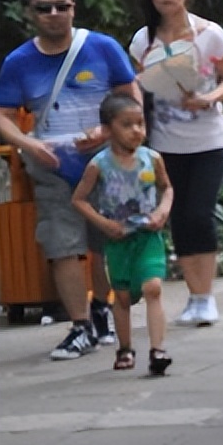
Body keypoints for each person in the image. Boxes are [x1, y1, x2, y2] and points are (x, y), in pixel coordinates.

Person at [0, 0, 139, 359]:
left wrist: (107, 131)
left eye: (62, 6)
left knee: (108, 243)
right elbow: (3, 115)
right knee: (62, 244)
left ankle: (102, 308)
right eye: (44, 8)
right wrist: (28, 144)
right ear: (30, 13)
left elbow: (131, 99)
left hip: (107, 163)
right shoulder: (19, 62)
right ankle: (80, 326)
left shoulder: (102, 47)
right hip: (53, 164)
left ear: (74, 7)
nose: (54, 14)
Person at [128, 0, 223, 327]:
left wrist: (208, 99)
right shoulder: (143, 41)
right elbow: (136, 88)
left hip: (210, 140)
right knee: (178, 218)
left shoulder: (211, 34)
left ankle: (206, 296)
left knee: (199, 214)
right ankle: (194, 296)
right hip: (165, 143)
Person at [70, 94, 174, 375]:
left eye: (140, 123)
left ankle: (158, 350)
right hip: (118, 241)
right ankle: (125, 348)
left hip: (148, 236)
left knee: (153, 288)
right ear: (107, 129)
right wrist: (103, 224)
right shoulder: (99, 165)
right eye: (127, 125)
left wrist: (162, 211)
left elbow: (167, 188)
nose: (136, 131)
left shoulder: (152, 158)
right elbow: (79, 200)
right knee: (123, 297)